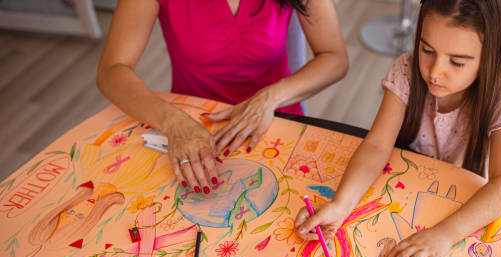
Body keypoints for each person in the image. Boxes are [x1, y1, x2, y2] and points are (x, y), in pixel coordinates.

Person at [295, 0, 501, 257]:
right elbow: (376, 146)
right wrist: (340, 205)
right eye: (427, 50)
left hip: (461, 214)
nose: (434, 71)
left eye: (456, 62)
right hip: (400, 197)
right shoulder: (406, 70)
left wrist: (444, 236)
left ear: (492, 55)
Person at [97, 0, 348, 194]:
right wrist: (173, 121)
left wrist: (270, 98)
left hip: (275, 122)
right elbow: (111, 70)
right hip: (190, 129)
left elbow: (334, 57)